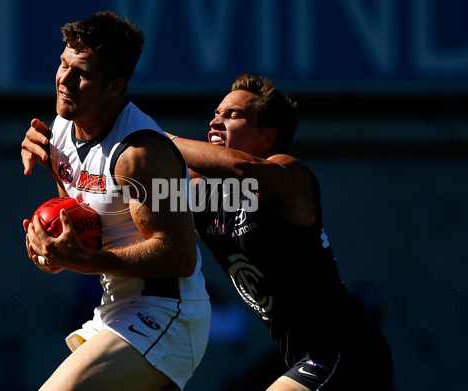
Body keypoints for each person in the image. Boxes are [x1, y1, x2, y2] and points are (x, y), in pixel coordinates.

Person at [20, 11, 210, 391]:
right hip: (114, 309)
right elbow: (84, 224)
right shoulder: (59, 130)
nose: (64, 80)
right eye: (63, 64)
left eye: (82, 73)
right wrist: (55, 251)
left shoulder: (140, 153)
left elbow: (181, 256)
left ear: (114, 86)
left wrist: (85, 261)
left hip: (167, 314)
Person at [166, 74, 394, 391]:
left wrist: (155, 137)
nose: (216, 122)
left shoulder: (288, 173)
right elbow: (144, 187)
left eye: (232, 115)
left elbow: (241, 169)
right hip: (299, 356)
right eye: (216, 114)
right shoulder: (204, 196)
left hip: (345, 351)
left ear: (267, 137)